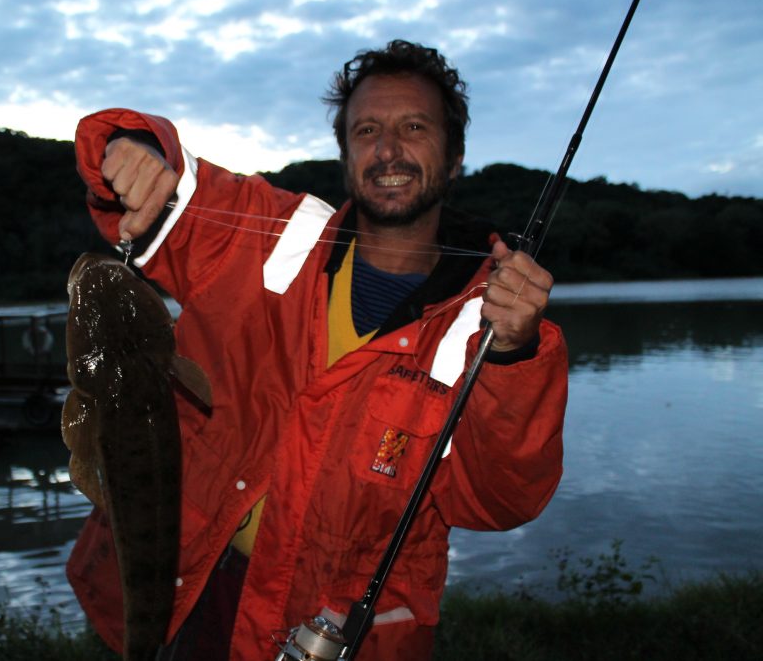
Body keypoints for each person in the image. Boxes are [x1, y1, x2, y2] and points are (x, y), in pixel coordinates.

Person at [66, 40, 568, 661]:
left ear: (457, 154)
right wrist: (131, 150)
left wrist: (514, 358)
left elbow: (500, 499)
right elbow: (178, 185)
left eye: (414, 127)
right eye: (367, 130)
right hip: (186, 595)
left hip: (330, 638)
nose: (388, 149)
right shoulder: (277, 231)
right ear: (345, 152)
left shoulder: (494, 322)